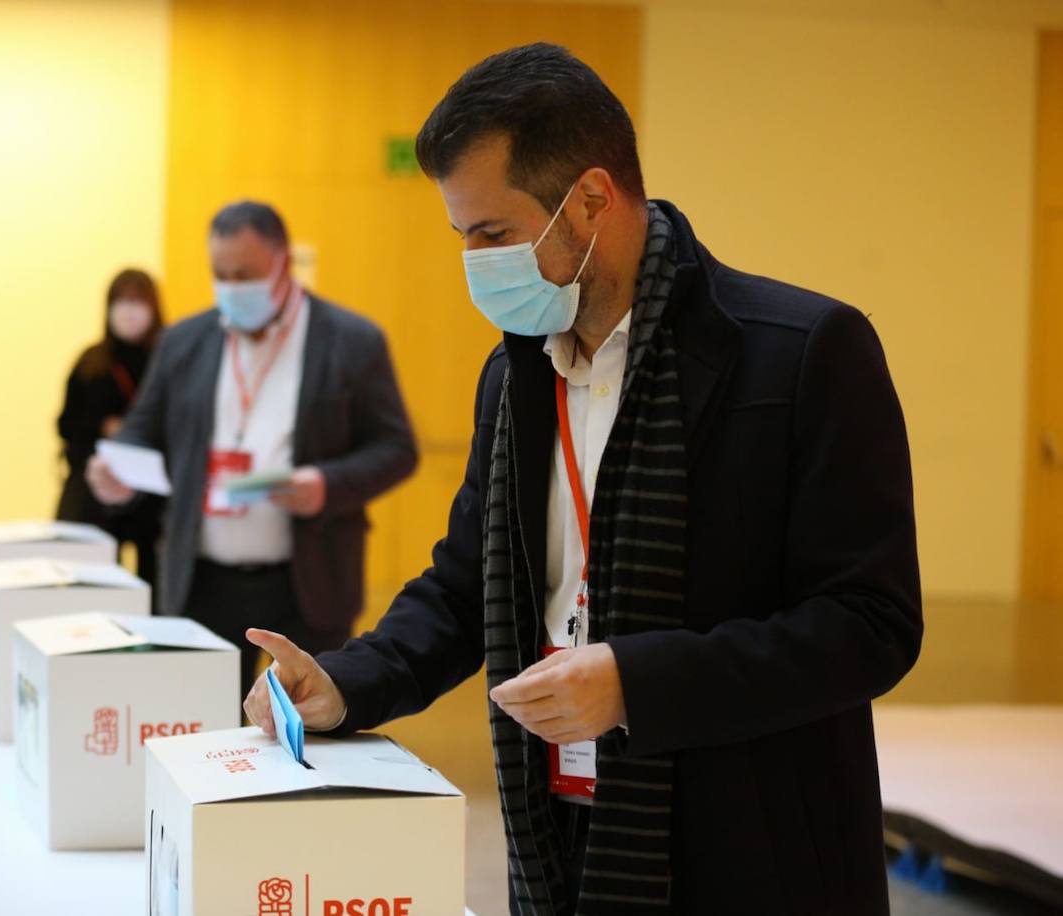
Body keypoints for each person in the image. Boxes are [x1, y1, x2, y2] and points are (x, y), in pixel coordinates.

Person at [243, 43, 922, 915]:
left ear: (593, 200)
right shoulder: (517, 374)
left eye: (494, 234)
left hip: (748, 846)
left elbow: (870, 624)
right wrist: (348, 680)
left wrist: (637, 683)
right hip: (559, 836)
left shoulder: (800, 356)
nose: (476, 263)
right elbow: (464, 587)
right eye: (462, 237)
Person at [88, 201, 418, 695]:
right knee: (204, 734)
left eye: (245, 274)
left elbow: (396, 448)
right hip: (200, 582)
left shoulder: (352, 341)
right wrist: (117, 473)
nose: (231, 288)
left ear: (283, 261)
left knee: (308, 734)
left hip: (308, 582)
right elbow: (141, 429)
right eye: (220, 274)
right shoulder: (183, 342)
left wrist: (326, 485)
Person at [55, 268, 165, 585]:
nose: (128, 310)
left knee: (153, 582)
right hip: (94, 494)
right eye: (121, 301)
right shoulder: (92, 361)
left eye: (137, 301)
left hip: (152, 496)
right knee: (97, 584)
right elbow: (66, 424)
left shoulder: (166, 358)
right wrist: (103, 428)